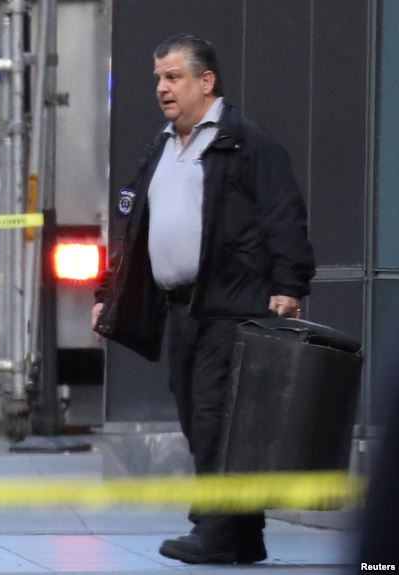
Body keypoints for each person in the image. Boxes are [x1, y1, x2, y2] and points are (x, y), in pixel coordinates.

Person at [92, 34, 314, 565]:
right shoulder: (162, 146)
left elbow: (284, 216)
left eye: (173, 77)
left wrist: (288, 286)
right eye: (157, 79)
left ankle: (213, 531)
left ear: (206, 81)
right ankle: (244, 534)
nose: (162, 88)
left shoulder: (246, 142)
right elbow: (132, 225)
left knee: (216, 418)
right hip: (181, 308)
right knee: (199, 418)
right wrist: (108, 292)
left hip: (232, 305)